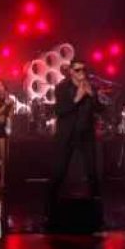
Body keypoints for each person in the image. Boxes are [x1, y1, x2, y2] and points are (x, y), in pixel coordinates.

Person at [47, 59, 106, 218]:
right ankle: (50, 208)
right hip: (67, 134)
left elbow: (99, 109)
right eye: (78, 70)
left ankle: (96, 208)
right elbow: (60, 110)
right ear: (71, 72)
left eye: (83, 69)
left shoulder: (90, 86)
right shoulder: (62, 88)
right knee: (59, 170)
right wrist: (77, 98)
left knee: (92, 170)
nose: (82, 73)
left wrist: (92, 96)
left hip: (86, 134)